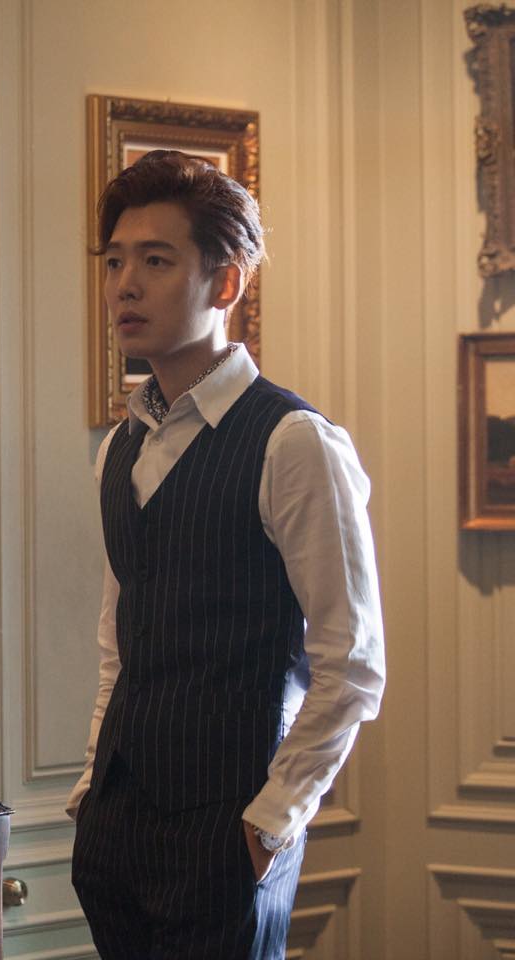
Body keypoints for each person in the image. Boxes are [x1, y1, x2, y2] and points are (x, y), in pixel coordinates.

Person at [67, 150, 385, 960]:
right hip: (115, 831)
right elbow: (119, 642)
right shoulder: (118, 449)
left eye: (156, 260)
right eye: (115, 261)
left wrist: (275, 818)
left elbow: (352, 660)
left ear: (228, 282)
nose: (125, 285)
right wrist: (93, 784)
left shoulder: (293, 442)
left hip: (230, 829)